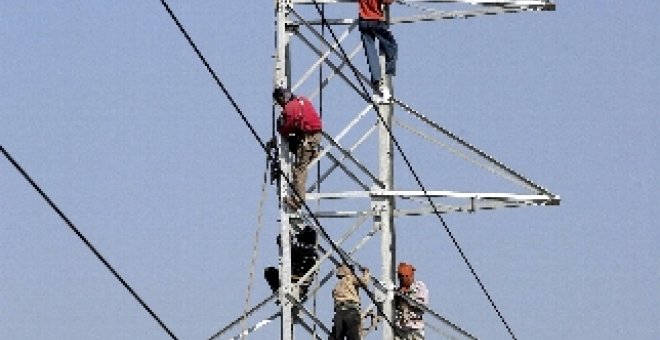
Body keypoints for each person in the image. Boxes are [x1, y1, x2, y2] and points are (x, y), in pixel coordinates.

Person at [273, 87, 323, 211]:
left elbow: (287, 127)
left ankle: (297, 200)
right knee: (294, 144)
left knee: (299, 170)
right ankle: (311, 152)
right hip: (314, 135)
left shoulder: (290, 108)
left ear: (281, 98)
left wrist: (281, 127)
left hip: (308, 138)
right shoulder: (302, 100)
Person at [358, 0, 398, 97]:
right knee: (391, 45)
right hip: (375, 21)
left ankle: (376, 79)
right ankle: (389, 72)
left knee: (370, 51)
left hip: (363, 21)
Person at [330, 264, 370, 340]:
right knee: (336, 336)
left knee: (351, 335)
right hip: (341, 311)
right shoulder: (338, 284)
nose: (339, 269)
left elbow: (363, 282)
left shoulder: (350, 278)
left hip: (350, 310)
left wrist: (366, 273)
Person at [394, 262, 428, 340]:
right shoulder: (397, 291)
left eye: (405, 276)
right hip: (400, 330)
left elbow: (423, 305)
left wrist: (407, 297)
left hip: (415, 329)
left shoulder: (419, 287)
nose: (403, 279)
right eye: (401, 277)